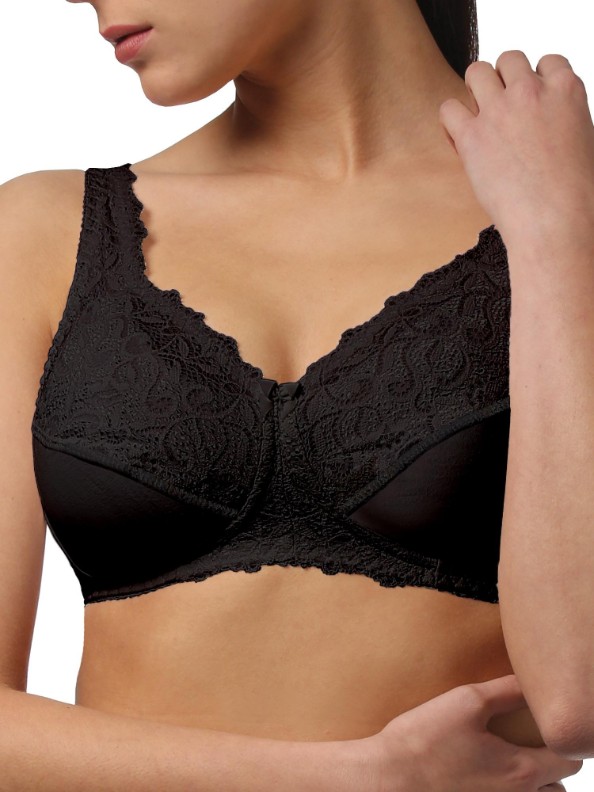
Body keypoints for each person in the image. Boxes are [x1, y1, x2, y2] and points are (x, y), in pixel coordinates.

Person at [0, 0, 586, 789]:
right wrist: (358, 778)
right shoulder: (43, 234)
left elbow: (578, 700)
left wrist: (555, 233)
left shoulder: (568, 215)